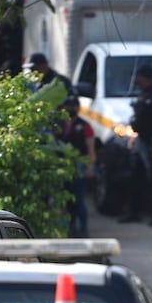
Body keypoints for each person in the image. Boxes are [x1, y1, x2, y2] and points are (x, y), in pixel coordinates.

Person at [118, 65, 152, 226]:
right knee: (136, 177)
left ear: (146, 78)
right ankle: (134, 212)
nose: (136, 80)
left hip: (151, 142)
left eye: (139, 77)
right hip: (140, 139)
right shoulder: (143, 94)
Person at [59, 95, 96, 237]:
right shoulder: (61, 125)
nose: (71, 109)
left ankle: (83, 229)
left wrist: (90, 167)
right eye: (68, 106)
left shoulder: (85, 126)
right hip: (63, 167)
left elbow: (91, 149)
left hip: (79, 167)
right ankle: (70, 229)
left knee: (78, 199)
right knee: (67, 201)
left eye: (73, 106)